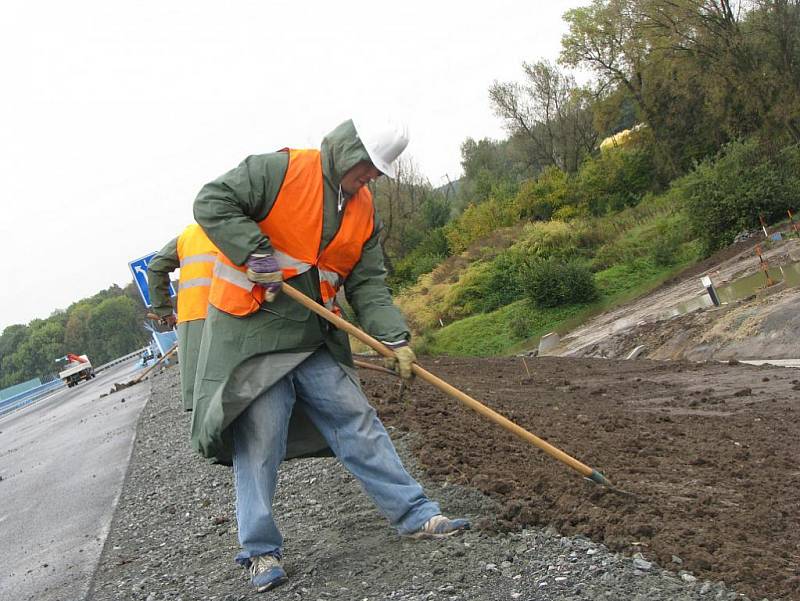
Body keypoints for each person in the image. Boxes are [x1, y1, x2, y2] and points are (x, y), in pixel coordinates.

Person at [191, 118, 470, 592]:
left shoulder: (363, 212)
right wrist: (255, 254)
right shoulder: (278, 171)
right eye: (368, 169)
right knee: (261, 439)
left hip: (314, 338)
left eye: (379, 174)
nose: (372, 179)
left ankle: (416, 514)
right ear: (348, 152)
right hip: (256, 333)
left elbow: (369, 284)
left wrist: (395, 338)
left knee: (356, 420)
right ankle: (260, 554)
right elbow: (210, 201)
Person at [147, 223, 218, 411]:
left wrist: (164, 311)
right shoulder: (243, 225)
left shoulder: (190, 235)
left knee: (203, 397)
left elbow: (155, 267)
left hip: (194, 318)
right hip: (232, 313)